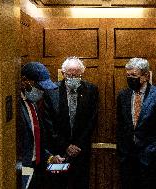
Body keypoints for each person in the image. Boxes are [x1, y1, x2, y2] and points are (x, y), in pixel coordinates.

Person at [42, 57, 99, 189]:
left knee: (80, 183)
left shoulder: (91, 90)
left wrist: (78, 145)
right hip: (57, 152)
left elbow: (91, 120)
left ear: (82, 74)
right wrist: (66, 146)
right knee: (57, 184)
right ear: (63, 73)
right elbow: (48, 123)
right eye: (69, 75)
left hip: (80, 151)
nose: (73, 78)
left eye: (77, 75)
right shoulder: (51, 91)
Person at [116, 58, 156, 189]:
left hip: (150, 158)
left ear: (145, 75)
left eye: (134, 75)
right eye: (128, 75)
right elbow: (121, 125)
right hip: (127, 158)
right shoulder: (123, 95)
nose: (130, 78)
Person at [17, 62, 65, 189]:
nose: (41, 91)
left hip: (37, 166)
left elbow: (36, 141)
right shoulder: (17, 108)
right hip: (24, 167)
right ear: (24, 80)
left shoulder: (33, 104)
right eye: (39, 87)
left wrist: (50, 157)